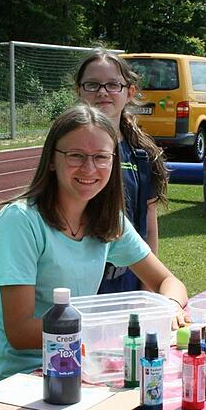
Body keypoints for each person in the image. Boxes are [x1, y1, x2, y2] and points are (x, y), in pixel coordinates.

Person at [0, 104, 189, 387]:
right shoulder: (21, 220)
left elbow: (167, 281)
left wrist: (170, 307)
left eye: (101, 157)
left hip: (81, 371)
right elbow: (19, 331)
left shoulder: (108, 220)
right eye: (76, 155)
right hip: (19, 382)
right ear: (52, 160)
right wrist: (107, 329)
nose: (89, 168)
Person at [73, 49, 169, 293]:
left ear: (130, 92)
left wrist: (148, 289)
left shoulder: (141, 154)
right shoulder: (65, 151)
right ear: (78, 90)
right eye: (92, 85)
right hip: (76, 282)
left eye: (113, 85)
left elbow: (149, 225)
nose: (102, 92)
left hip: (127, 281)